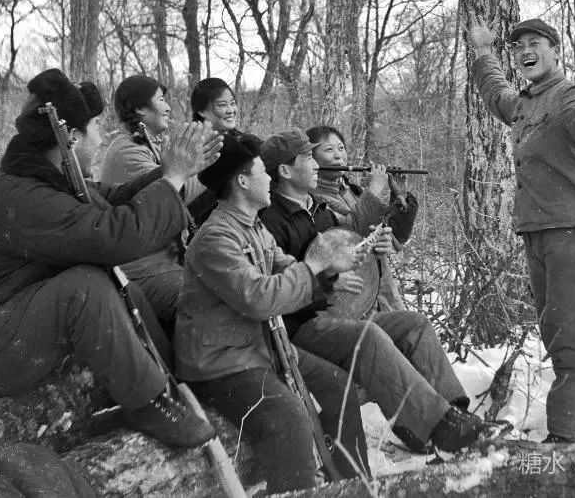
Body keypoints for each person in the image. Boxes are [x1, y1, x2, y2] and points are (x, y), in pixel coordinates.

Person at [0, 68, 219, 449]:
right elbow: (116, 236)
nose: (102, 139)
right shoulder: (28, 197)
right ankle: (146, 403)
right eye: (96, 128)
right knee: (85, 287)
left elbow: (112, 198)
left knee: (127, 292)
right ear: (70, 137)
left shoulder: (47, 177)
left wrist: (173, 173)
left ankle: (168, 385)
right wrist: (172, 177)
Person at [258, 128, 484, 455]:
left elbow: (348, 244)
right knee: (368, 336)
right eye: (309, 157)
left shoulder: (319, 210)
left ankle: (456, 414)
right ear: (285, 170)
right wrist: (329, 283)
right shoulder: (271, 221)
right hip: (302, 326)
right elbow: (277, 287)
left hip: (338, 316)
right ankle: (439, 426)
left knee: (413, 325)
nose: (317, 165)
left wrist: (365, 251)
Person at [175, 133, 370, 493]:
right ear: (243, 181)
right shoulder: (216, 238)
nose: (270, 179)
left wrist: (329, 273)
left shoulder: (253, 226)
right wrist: (313, 268)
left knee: (336, 385)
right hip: (222, 364)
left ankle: (354, 484)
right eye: (264, 171)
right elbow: (259, 298)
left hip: (260, 348)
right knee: (290, 418)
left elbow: (284, 267)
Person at [469, 14, 575, 443]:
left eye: (535, 43)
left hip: (574, 231)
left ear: (555, 51)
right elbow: (497, 96)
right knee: (570, 330)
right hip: (539, 232)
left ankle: (562, 442)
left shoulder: (568, 95)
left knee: (566, 338)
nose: (525, 51)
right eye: (518, 47)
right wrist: (482, 52)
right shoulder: (527, 101)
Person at [100, 75, 216, 331]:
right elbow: (174, 194)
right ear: (141, 108)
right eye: (162, 100)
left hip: (164, 261)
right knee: (211, 300)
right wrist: (211, 168)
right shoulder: (126, 151)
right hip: (139, 268)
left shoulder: (149, 145)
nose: (168, 108)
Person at [307, 125, 418, 312]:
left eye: (341, 148)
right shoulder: (315, 200)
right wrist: (374, 190)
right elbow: (351, 236)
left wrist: (400, 197)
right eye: (329, 149)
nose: (338, 156)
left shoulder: (353, 192)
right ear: (311, 159)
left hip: (383, 291)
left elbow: (398, 236)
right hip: (352, 299)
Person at [187, 77, 241, 228]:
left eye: (232, 103)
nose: (231, 110)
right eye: (222, 105)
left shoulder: (242, 141)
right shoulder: (193, 148)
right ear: (202, 111)